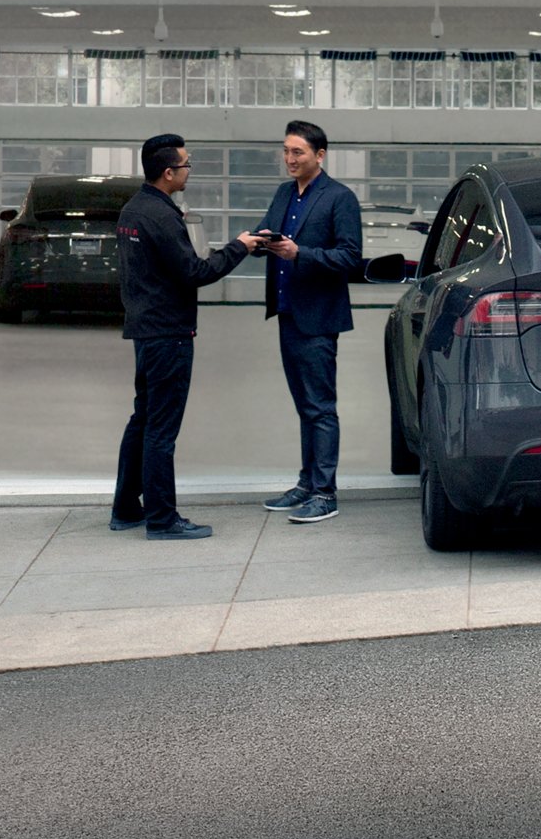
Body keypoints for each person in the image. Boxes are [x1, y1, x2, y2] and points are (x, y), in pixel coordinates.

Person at [110, 133, 248, 540]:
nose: (190, 170)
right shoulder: (161, 216)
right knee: (161, 429)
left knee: (143, 419)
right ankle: (162, 519)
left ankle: (125, 507)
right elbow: (195, 272)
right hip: (168, 334)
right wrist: (239, 247)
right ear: (168, 172)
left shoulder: (133, 210)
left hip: (145, 331)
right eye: (187, 164)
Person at [240, 119, 363, 525]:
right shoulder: (283, 194)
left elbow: (348, 257)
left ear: (320, 155)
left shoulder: (339, 198)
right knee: (304, 406)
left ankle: (325, 493)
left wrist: (301, 254)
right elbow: (271, 235)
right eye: (286, 151)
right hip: (287, 312)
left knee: (320, 407)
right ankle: (306, 483)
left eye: (298, 152)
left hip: (317, 317)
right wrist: (259, 242)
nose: (290, 159)